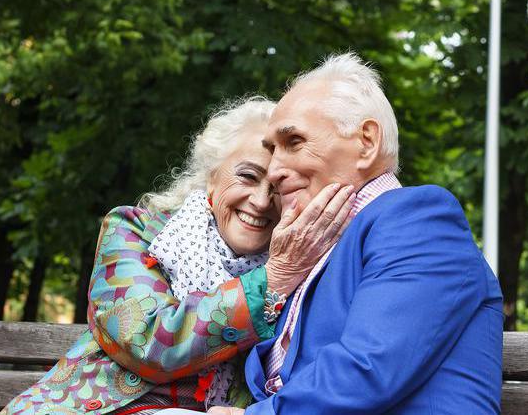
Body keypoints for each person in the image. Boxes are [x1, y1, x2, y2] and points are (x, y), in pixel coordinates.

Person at [0, 97, 355, 415]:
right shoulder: (135, 230)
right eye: (247, 176)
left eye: (278, 188)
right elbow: (147, 344)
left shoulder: (302, 268)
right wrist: (272, 280)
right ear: (212, 178)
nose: (261, 202)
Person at [209, 53, 504, 415]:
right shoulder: (319, 250)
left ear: (367, 142)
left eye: (294, 142)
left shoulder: (419, 219)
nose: (273, 171)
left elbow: (369, 368)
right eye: (272, 150)